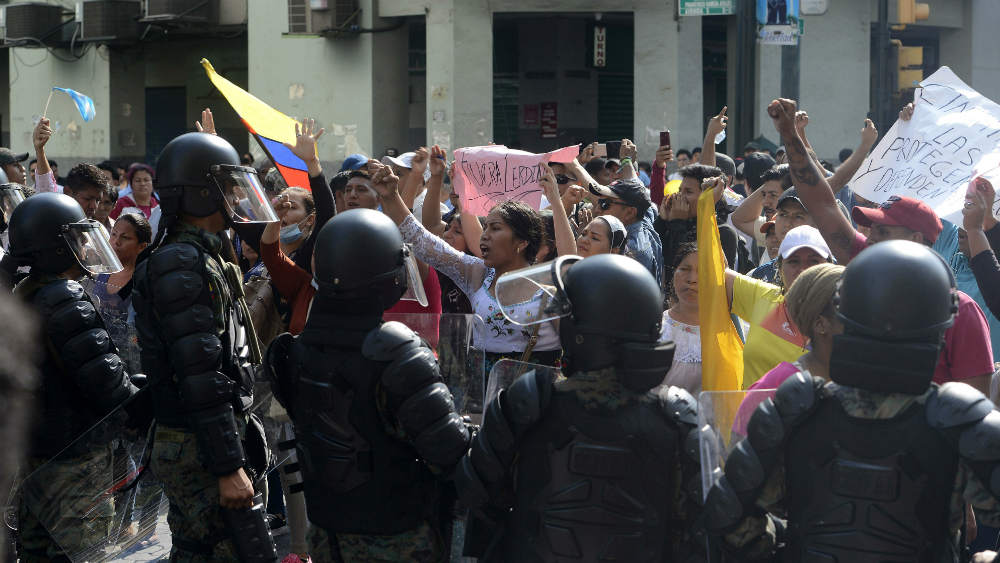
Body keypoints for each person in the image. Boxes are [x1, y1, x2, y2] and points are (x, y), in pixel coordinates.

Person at [704, 241, 1000, 562]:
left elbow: (728, 516)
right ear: (940, 329)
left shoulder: (796, 408)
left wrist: (788, 549)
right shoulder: (959, 421)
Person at [455, 253, 706, 562]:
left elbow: (476, 494)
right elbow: (702, 529)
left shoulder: (531, 401)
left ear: (580, 329)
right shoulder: (677, 418)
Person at [263, 208, 471, 563]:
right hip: (395, 537)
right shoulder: (396, 352)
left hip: (327, 537)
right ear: (385, 274)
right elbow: (450, 456)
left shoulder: (294, 349)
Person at [769, 97, 995, 394]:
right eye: (872, 229)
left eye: (884, 231)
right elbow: (822, 204)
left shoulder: (961, 313)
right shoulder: (868, 265)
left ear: (916, 240)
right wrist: (789, 137)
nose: (871, 238)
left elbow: (974, 405)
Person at [131, 132, 278, 563]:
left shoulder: (199, 254)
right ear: (201, 195)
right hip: (200, 444)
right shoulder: (182, 261)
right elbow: (200, 376)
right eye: (227, 187)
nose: (236, 196)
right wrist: (227, 465)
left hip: (203, 439)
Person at [6, 192, 137, 563]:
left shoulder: (23, 292)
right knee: (82, 553)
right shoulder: (64, 298)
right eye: (77, 238)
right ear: (58, 248)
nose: (85, 245)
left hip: (36, 455)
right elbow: (108, 387)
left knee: (36, 551)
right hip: (75, 460)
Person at [369, 159, 561, 376]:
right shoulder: (479, 275)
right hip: (484, 404)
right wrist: (390, 196)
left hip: (536, 402)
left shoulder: (551, 286)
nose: (485, 235)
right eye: (485, 226)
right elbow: (422, 241)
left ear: (522, 241)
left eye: (495, 228)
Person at [725, 224, 833, 387]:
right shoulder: (760, 296)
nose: (803, 270)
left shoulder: (842, 319)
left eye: (813, 261)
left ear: (830, 266)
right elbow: (712, 271)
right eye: (794, 261)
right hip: (750, 411)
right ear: (779, 268)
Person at [92, 212, 152, 374]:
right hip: (99, 361)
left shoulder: (144, 281)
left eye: (125, 237)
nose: (116, 242)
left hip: (133, 369)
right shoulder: (99, 274)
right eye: (114, 234)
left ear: (142, 246)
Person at [589, 177, 664, 287]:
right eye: (599, 201)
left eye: (605, 204)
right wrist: (627, 160)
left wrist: (584, 236)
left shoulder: (629, 250)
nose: (598, 209)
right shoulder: (643, 219)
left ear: (630, 213)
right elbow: (637, 183)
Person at [656, 243, 701, 395]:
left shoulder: (734, 331)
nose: (692, 279)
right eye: (685, 269)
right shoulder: (658, 329)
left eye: (702, 272)